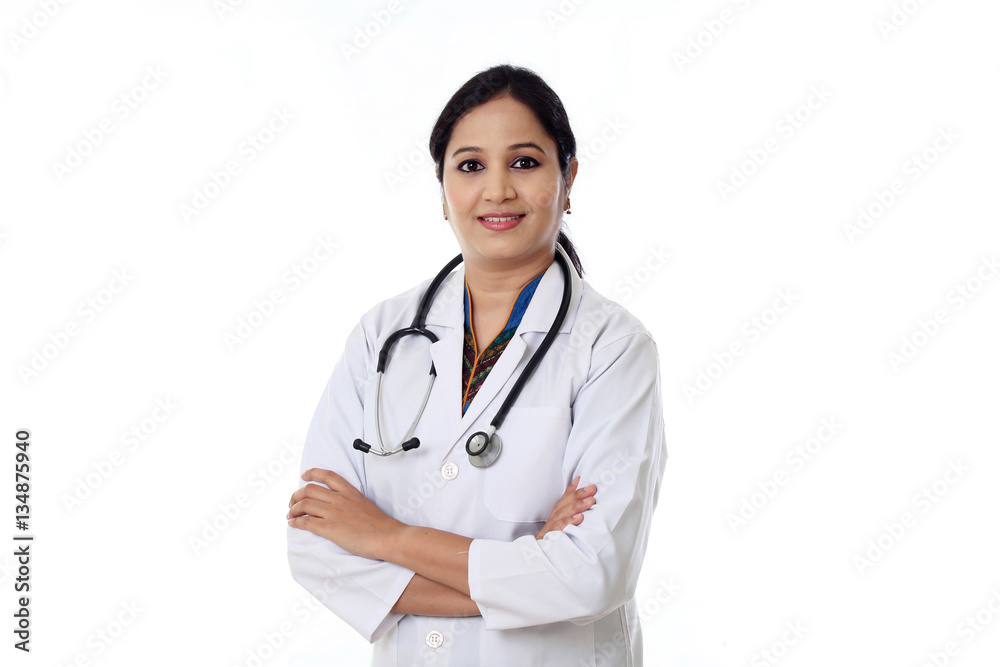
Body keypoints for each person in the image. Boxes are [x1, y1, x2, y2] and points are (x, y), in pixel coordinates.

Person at [286, 63, 666, 666]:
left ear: (568, 177)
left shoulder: (612, 347)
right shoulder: (382, 335)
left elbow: (592, 573)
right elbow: (316, 546)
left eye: (524, 162)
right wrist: (526, 564)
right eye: (470, 166)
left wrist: (387, 538)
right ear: (442, 190)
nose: (497, 190)